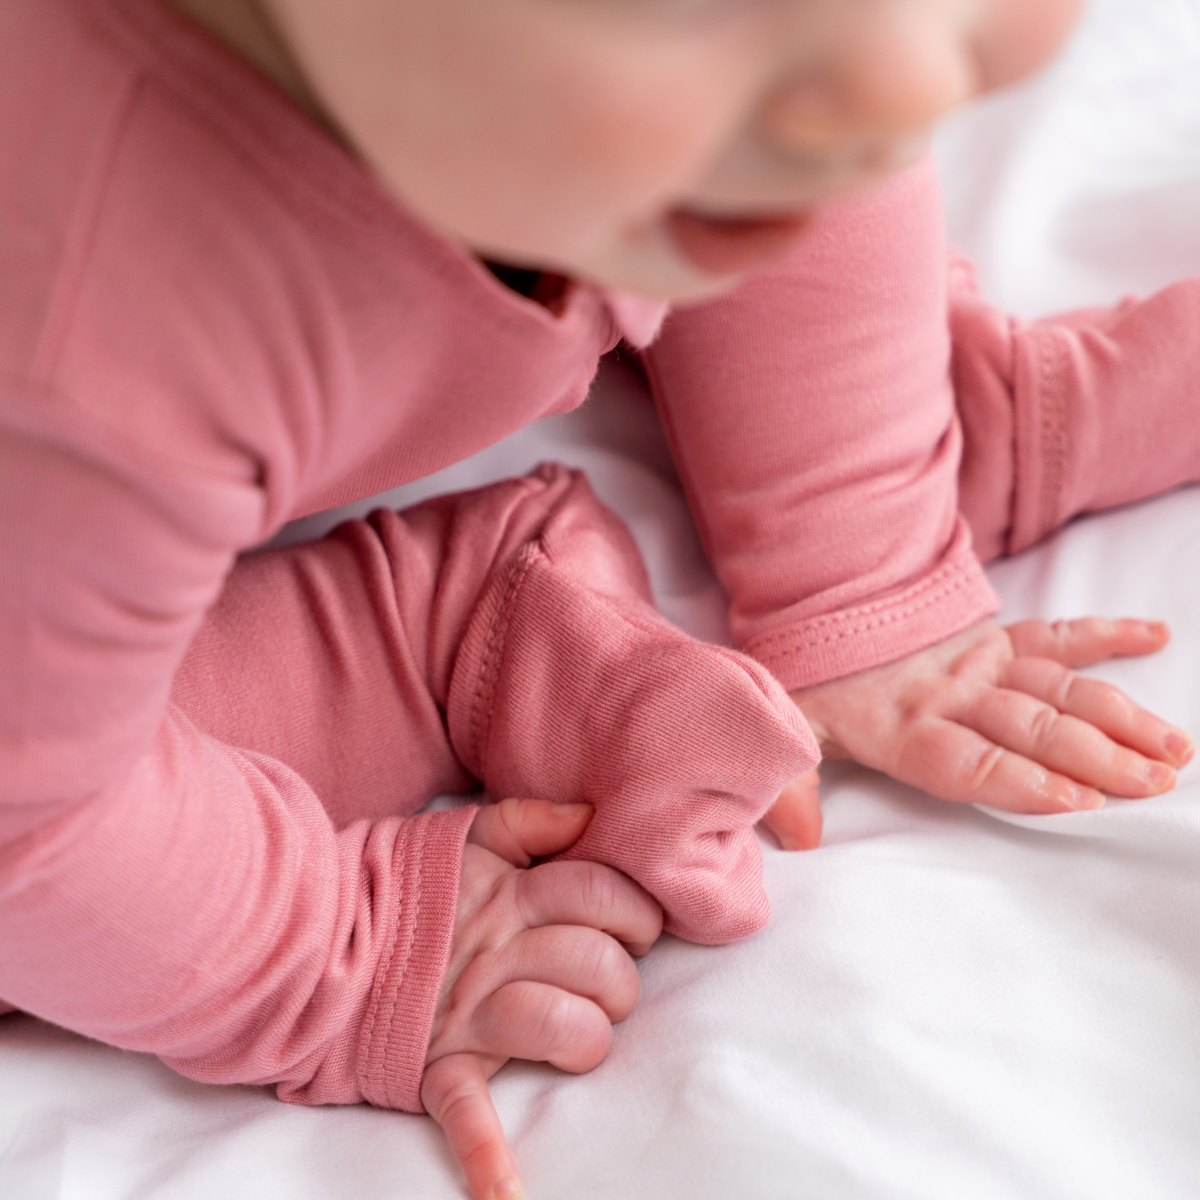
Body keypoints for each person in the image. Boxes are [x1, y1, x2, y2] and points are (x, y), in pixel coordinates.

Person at [0, 3, 1193, 1200]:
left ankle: (875, 437)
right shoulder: (90, 325)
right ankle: (445, 627)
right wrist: (329, 952)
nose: (909, 79)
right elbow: (31, 810)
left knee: (748, 123)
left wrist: (862, 553)